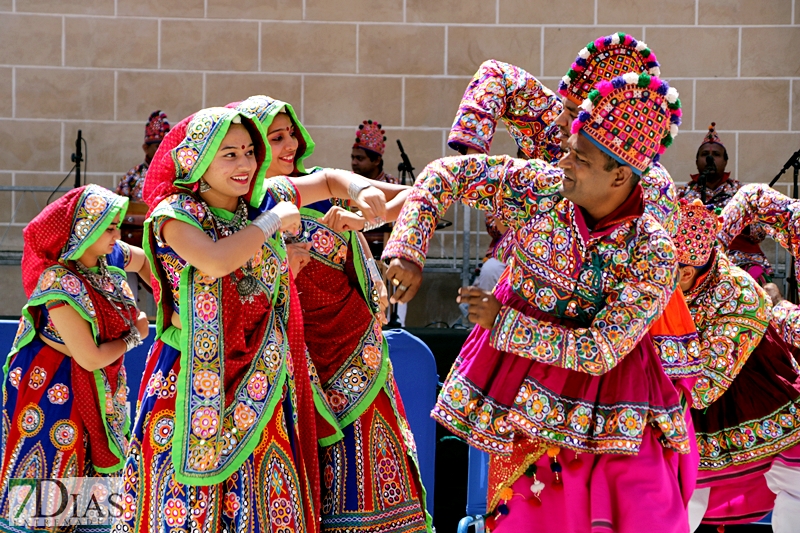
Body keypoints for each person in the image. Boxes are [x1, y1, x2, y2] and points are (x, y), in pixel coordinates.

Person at [384, 72, 690, 532]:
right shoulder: (541, 190)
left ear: (621, 175)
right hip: (523, 397)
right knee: (522, 513)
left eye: (578, 158)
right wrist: (409, 249)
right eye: (567, 149)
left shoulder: (653, 251)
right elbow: (445, 175)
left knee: (638, 509)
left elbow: (602, 349)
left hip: (613, 403)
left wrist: (503, 324)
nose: (562, 161)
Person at [114, 105, 388, 533]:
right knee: (183, 506)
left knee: (266, 500)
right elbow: (216, 260)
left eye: (249, 152)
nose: (244, 164)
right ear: (197, 160)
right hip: (190, 380)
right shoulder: (175, 216)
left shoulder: (259, 200)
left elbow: (328, 180)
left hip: (263, 379)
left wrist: (360, 187)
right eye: (229, 155)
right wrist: (273, 220)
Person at [447, 33, 702, 384]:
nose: (560, 122)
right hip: (539, 304)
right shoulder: (557, 135)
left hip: (611, 329)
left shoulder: (648, 183)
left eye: (571, 112)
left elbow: (630, 269)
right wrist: (472, 152)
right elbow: (499, 74)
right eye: (565, 109)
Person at [239, 95, 430, 533]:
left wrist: (365, 220)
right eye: (275, 138)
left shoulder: (319, 189)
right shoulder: (240, 210)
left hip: (352, 350)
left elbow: (414, 200)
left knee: (367, 467)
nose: (290, 146)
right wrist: (276, 256)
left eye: (292, 134)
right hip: (287, 360)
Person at [0, 184, 151, 531]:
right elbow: (91, 358)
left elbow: (143, 260)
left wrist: (171, 302)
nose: (118, 234)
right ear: (86, 230)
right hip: (56, 390)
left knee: (94, 499)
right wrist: (134, 336)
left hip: (99, 387)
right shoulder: (59, 283)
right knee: (50, 482)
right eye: (110, 228)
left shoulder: (107, 256)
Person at [674, 197, 800, 532]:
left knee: (793, 484)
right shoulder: (689, 259)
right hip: (692, 388)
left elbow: (705, 388)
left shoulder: (739, 295)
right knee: (683, 493)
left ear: (686, 273)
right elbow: (752, 197)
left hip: (760, 397)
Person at [677, 123, 773, 283]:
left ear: (725, 161)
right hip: (696, 263)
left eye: (716, 154)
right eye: (705, 154)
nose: (710, 158)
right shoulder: (682, 194)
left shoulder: (742, 193)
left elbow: (760, 235)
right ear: (696, 161)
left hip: (742, 259)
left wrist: (743, 220)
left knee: (769, 290)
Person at [116, 111, 170, 202]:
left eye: (165, 146)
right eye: (158, 146)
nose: (163, 150)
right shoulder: (131, 176)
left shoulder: (174, 175)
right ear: (146, 148)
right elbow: (117, 208)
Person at [350, 120, 400, 184]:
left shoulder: (393, 185)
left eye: (360, 158)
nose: (354, 162)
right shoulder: (348, 182)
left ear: (377, 161)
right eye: (352, 158)